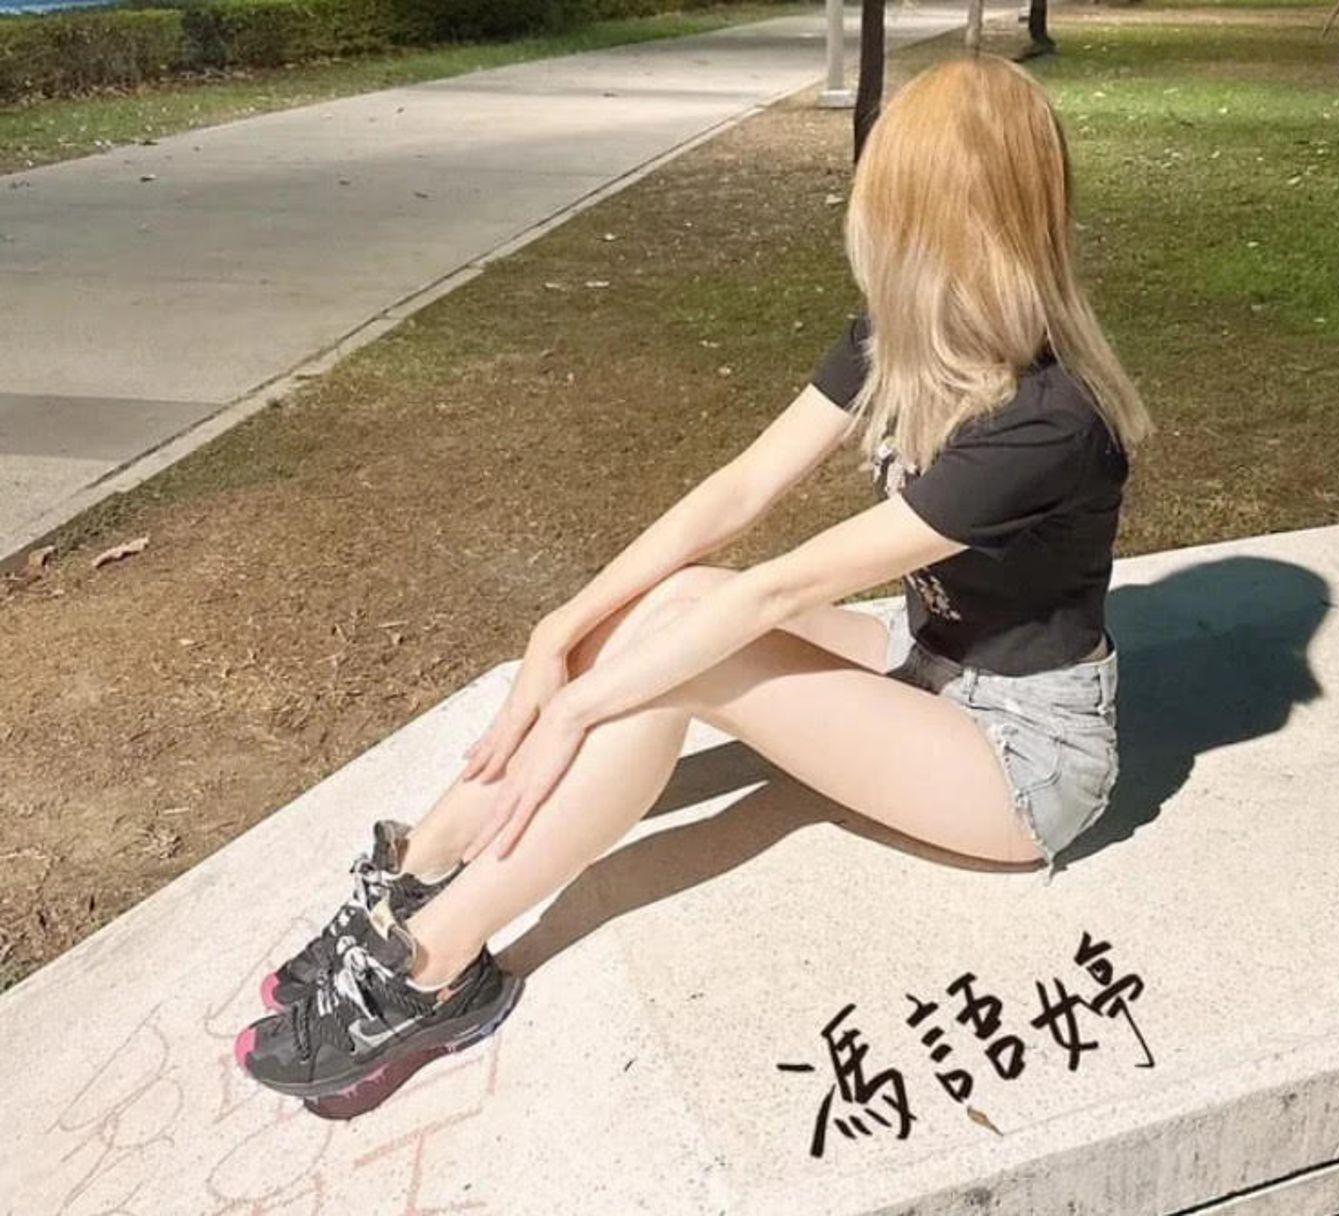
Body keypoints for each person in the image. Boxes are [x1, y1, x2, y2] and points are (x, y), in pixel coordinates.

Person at [234, 49, 1152, 1108]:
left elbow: (771, 594)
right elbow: (739, 489)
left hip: (1022, 759)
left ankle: (435, 964)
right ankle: (425, 863)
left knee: (691, 654)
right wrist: (558, 632)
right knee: (662, 605)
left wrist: (581, 706)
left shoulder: (1049, 424)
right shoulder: (904, 339)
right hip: (925, 662)